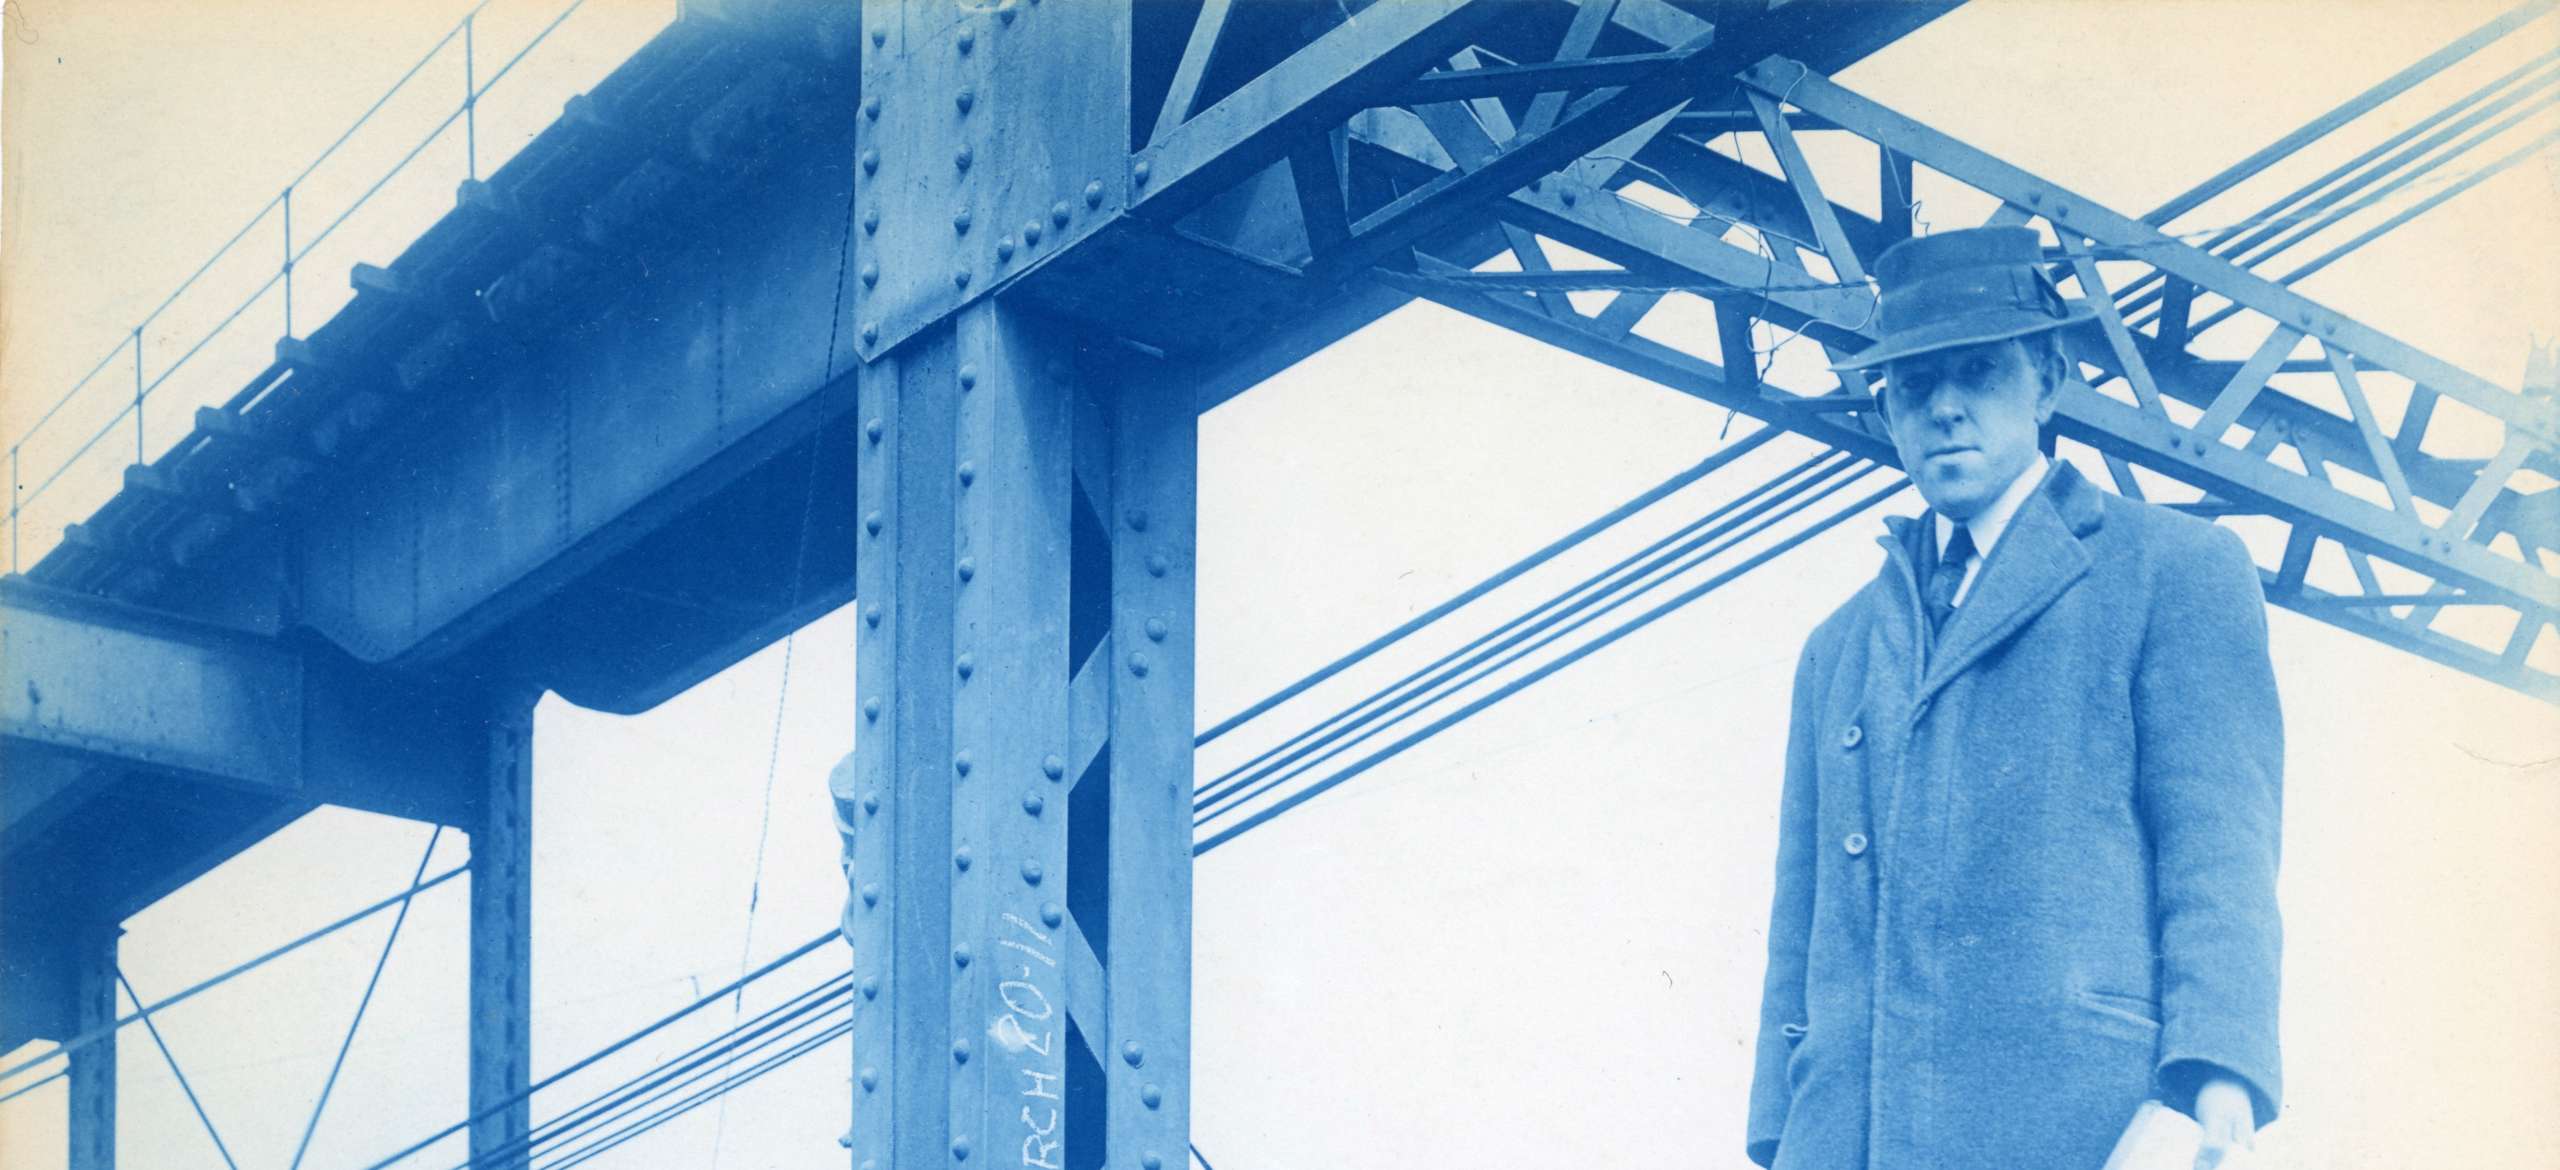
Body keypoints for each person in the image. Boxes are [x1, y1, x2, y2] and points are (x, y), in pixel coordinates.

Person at [1744, 227, 2283, 1170]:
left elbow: (2220, 852)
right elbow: (1801, 921)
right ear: (1887, 410)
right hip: (1850, 1138)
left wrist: (2216, 1075)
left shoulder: (2174, 569)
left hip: (2080, 1120)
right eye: (1915, 385)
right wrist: (1780, 1138)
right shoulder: (1838, 648)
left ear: (2047, 379)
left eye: (1978, 374)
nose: (1945, 409)